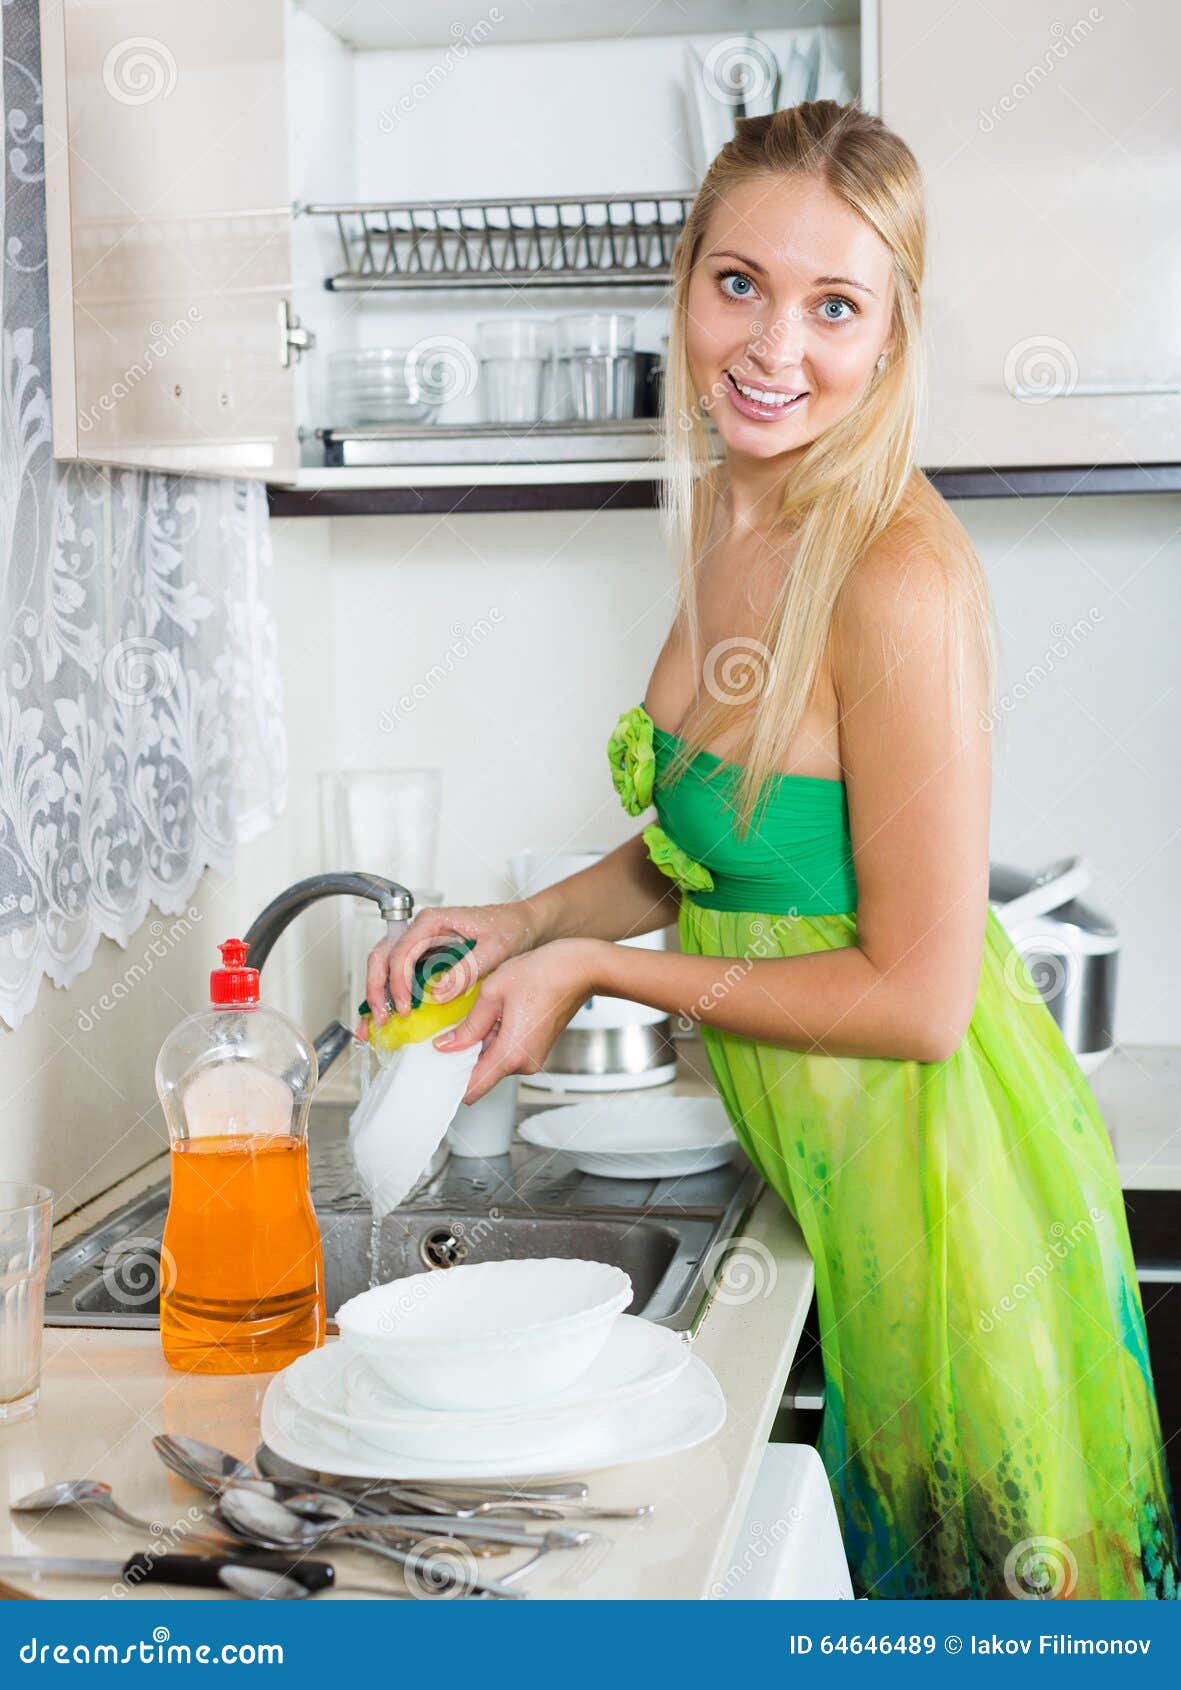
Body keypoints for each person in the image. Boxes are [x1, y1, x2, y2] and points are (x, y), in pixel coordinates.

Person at [365, 101, 1179, 1600]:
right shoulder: (737, 510)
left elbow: (921, 1001)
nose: (772, 345)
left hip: (946, 1187)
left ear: (891, 334)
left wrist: (601, 966)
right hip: (827, 1173)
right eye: (737, 281)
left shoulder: (894, 573)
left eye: (834, 305)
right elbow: (708, 849)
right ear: (683, 281)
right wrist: (527, 916)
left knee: (979, 1606)